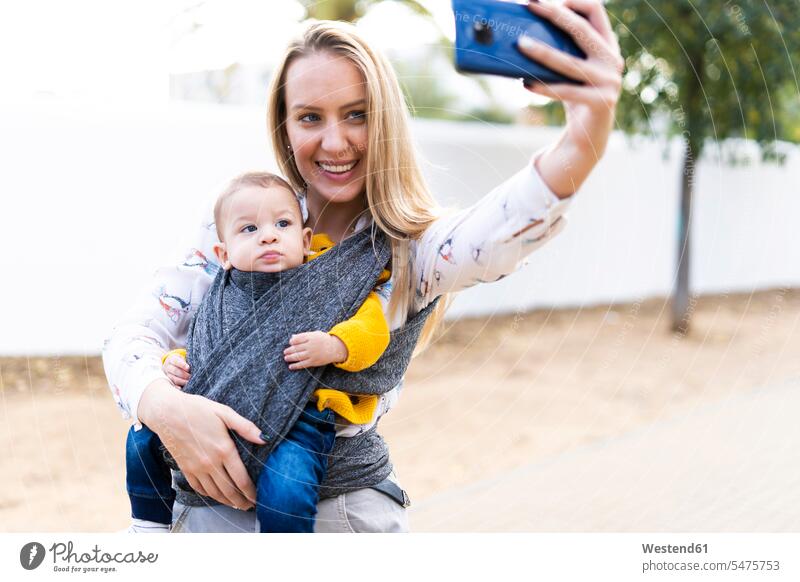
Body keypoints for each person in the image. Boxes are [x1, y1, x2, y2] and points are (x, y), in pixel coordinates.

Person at [103, 0, 623, 532]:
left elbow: (497, 230)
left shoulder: (410, 251)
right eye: (310, 117)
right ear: (284, 128)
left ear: (388, 120)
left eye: (358, 114)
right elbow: (132, 336)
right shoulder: (237, 228)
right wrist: (166, 409)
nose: (335, 142)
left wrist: (587, 131)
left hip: (339, 521)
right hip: (202, 520)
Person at [124, 171, 391, 532]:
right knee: (141, 437)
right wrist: (174, 364)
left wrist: (336, 344)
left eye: (283, 224)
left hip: (300, 415)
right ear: (224, 253)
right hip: (222, 407)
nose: (268, 235)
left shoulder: (329, 282)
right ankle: (148, 523)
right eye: (249, 229)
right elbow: (203, 347)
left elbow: (373, 328)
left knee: (289, 481)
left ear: (305, 238)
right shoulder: (219, 293)